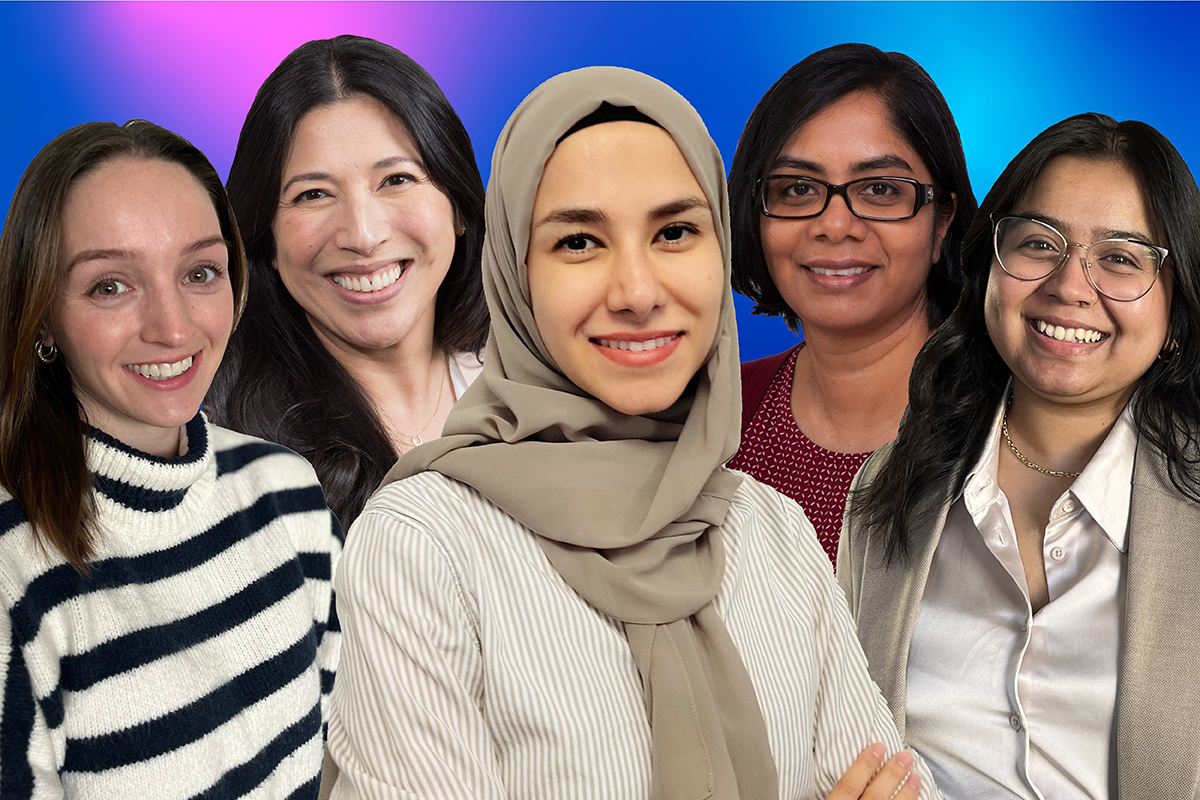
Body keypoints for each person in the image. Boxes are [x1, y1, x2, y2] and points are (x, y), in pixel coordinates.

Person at [327, 66, 938, 800]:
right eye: (580, 242)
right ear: (515, 275)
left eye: (676, 231)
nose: (639, 293)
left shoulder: (769, 529)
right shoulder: (423, 546)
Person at [839, 113, 1200, 799]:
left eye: (1121, 258)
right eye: (1039, 244)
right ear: (989, 274)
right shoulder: (887, 488)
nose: (1069, 286)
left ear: (1177, 317)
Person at [0, 120, 341, 797]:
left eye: (199, 272)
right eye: (111, 286)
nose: (175, 328)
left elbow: (341, 763)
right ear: (42, 318)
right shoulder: (14, 573)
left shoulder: (288, 493)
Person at [206, 35, 489, 532]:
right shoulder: (229, 467)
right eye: (313, 194)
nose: (362, 235)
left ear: (459, 207)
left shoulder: (538, 382)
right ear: (265, 240)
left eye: (397, 179)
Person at [727, 43, 976, 564]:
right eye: (797, 188)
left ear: (942, 222)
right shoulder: (717, 414)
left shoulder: (1007, 430)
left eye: (881, 189)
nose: (835, 226)